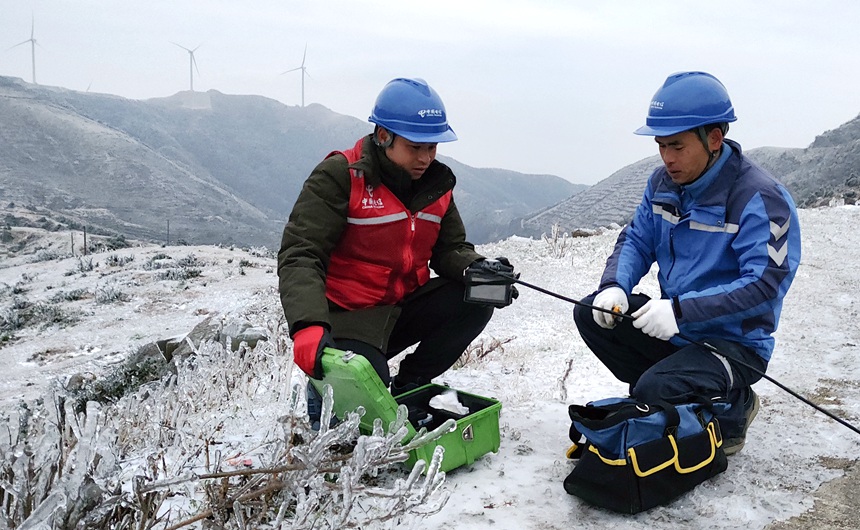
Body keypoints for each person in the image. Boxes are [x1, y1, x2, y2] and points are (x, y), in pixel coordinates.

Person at [573, 71, 801, 455]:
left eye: (677, 146)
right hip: (676, 328)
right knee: (589, 313)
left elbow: (766, 284)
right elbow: (637, 239)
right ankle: (671, 393)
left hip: (734, 343)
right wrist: (614, 284)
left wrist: (683, 311)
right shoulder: (662, 184)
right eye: (661, 146)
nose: (667, 158)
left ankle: (732, 404)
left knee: (654, 389)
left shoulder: (761, 198)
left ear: (714, 138)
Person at [277, 77, 516, 428]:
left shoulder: (436, 186)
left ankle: (411, 384)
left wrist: (478, 269)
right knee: (367, 399)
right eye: (415, 147)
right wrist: (308, 324)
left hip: (402, 308)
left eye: (432, 146)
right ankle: (330, 387)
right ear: (384, 136)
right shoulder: (341, 175)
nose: (425, 157)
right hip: (349, 317)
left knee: (476, 296)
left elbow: (450, 248)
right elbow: (301, 252)